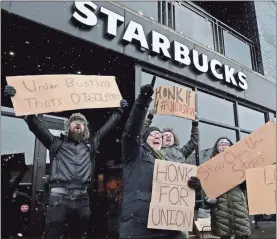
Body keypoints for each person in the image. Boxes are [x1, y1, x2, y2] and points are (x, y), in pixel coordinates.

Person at [4, 85, 128, 239]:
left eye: (81, 122)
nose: (78, 123)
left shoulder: (90, 145)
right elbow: (36, 126)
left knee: (79, 235)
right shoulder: (56, 144)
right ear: (68, 127)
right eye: (74, 121)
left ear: (85, 128)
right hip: (59, 198)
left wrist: (119, 111)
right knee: (52, 235)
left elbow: (106, 128)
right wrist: (17, 100)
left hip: (83, 199)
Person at [120, 83, 200, 239]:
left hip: (170, 226)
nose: (157, 136)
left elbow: (177, 187)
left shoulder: (168, 159)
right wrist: (143, 101)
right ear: (143, 139)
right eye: (153, 134)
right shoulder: (135, 153)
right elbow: (132, 131)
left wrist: (193, 186)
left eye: (160, 135)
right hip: (139, 227)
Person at [204, 137, 251, 239]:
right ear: (217, 148)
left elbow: (246, 186)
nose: (224, 146)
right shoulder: (209, 166)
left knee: (241, 234)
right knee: (224, 235)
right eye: (221, 144)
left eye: (227, 144)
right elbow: (206, 187)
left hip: (238, 206)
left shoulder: (239, 163)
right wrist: (208, 198)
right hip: (220, 208)